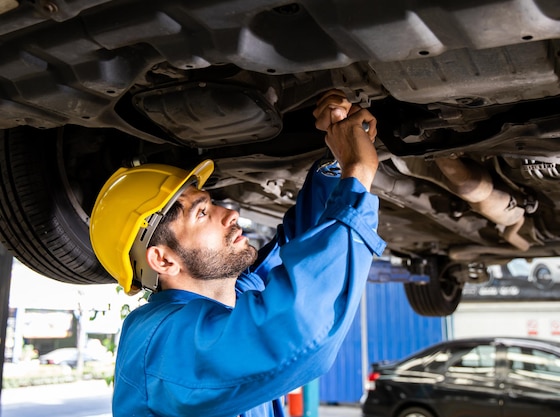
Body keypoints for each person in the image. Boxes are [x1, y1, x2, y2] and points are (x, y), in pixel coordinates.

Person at [89, 90, 386, 417]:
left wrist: (338, 161)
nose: (229, 213)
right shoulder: (159, 344)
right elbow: (295, 328)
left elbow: (299, 248)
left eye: (211, 202)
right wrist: (358, 173)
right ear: (163, 260)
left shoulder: (227, 301)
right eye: (201, 213)